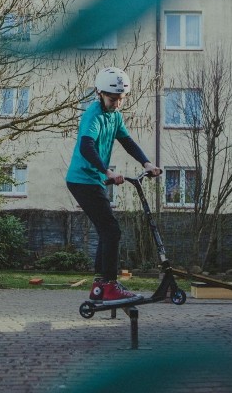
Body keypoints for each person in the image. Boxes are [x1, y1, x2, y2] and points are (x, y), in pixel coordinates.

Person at [66, 67, 162, 305]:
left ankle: (100, 286)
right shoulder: (93, 115)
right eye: (112, 99)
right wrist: (107, 170)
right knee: (112, 230)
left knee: (107, 230)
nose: (117, 104)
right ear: (100, 93)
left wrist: (147, 163)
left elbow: (127, 142)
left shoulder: (115, 116)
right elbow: (86, 147)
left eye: (120, 100)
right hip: (82, 179)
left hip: (93, 179)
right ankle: (108, 286)